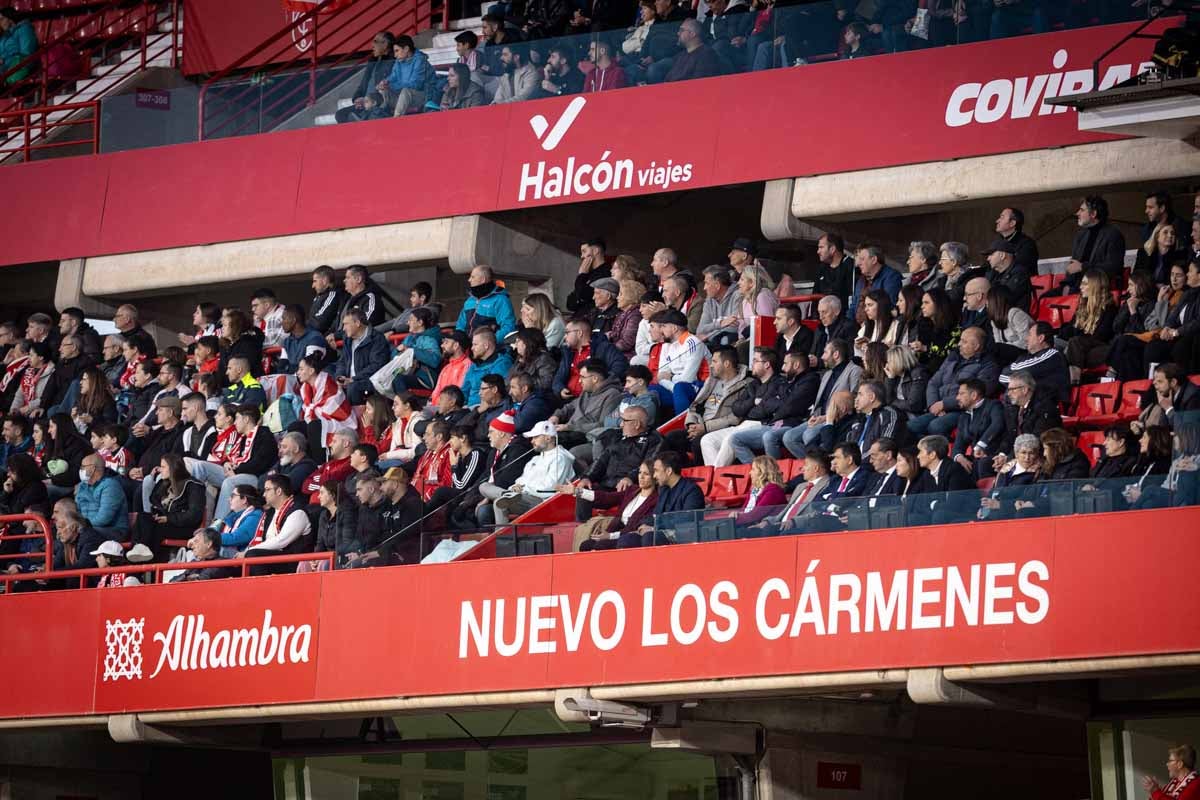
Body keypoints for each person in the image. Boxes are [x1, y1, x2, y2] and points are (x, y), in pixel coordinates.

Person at [731, 351, 819, 464]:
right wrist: (776, 404)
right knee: (735, 439)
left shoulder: (810, 380)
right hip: (774, 424)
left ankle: (774, 474)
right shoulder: (787, 380)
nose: (783, 368)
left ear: (796, 365)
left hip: (792, 424)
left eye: (786, 364)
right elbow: (772, 402)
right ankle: (759, 473)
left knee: (769, 436)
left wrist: (775, 407)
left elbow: (790, 405)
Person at [779, 339, 863, 457]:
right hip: (818, 417)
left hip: (836, 420)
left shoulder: (855, 371)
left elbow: (854, 401)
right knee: (789, 438)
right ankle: (813, 464)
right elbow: (820, 401)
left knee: (808, 436)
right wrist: (814, 416)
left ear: (836, 354)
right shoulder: (827, 374)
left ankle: (819, 465)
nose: (822, 357)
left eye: (825, 353)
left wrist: (826, 418)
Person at [910, 327, 1000, 438]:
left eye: (964, 341)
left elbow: (976, 393)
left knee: (935, 426)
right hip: (939, 406)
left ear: (976, 346)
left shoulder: (988, 365)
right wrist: (933, 404)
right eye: (960, 340)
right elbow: (933, 382)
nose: (959, 344)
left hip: (963, 410)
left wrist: (945, 404)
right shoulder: (953, 357)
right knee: (911, 426)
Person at [493, 420, 576, 523]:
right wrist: (515, 487)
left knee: (500, 503)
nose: (532, 441)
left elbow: (551, 489)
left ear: (548, 438)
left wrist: (524, 488)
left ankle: (507, 495)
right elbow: (521, 480)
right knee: (484, 487)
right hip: (525, 496)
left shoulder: (561, 458)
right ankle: (508, 494)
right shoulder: (535, 459)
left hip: (544, 503)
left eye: (535, 437)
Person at [1054, 195, 1126, 296]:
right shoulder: (1080, 236)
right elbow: (1073, 266)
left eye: (1082, 210)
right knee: (1043, 298)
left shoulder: (1113, 235)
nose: (1077, 213)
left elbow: (1114, 267)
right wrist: (1066, 285)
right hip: (1075, 287)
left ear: (1093, 214)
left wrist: (1083, 267)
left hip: (1096, 289)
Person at [133, 453, 204, 554]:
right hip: (165, 522)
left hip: (183, 527)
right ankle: (137, 549)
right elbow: (155, 502)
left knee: (155, 529)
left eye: (163, 467)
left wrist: (169, 518)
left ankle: (147, 560)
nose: (160, 470)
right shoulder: (163, 484)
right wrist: (157, 514)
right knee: (142, 517)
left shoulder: (193, 485)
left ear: (173, 467)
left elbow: (193, 515)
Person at [241, 474, 311, 575]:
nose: (264, 494)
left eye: (267, 490)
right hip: (273, 558)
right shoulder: (269, 513)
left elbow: (281, 541)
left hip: (292, 562)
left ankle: (263, 589)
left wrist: (249, 550)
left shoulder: (297, 512)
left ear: (279, 491)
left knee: (253, 555)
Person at [331, 307, 392, 405]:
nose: (343, 328)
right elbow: (342, 362)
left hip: (370, 383)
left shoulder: (376, 339)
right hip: (350, 381)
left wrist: (353, 379)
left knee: (353, 388)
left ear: (358, 323)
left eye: (346, 324)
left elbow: (377, 365)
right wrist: (339, 377)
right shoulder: (347, 339)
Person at [999, 321, 1070, 405]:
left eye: (1029, 334)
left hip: (1049, 407)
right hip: (1029, 407)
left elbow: (1028, 369)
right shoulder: (1025, 358)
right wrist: (1021, 379)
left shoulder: (1053, 354)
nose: (1026, 338)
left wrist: (1017, 375)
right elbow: (1002, 377)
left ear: (1041, 338)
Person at [1061, 269, 1117, 373]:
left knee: (1074, 343)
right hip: (1080, 350)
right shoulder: (1082, 307)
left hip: (1098, 349)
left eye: (1085, 284)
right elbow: (1069, 330)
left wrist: (1078, 331)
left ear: (1095, 286)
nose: (1080, 287)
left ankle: (1074, 383)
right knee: (1057, 344)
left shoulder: (1109, 308)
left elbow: (1101, 336)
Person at [948, 378, 1005, 477]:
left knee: (982, 464)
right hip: (976, 459)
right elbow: (958, 445)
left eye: (961, 393)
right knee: (952, 467)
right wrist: (959, 457)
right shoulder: (964, 416)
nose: (957, 397)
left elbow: (997, 425)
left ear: (974, 395)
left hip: (994, 455)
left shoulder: (993, 405)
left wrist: (980, 445)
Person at [978, 433, 1041, 521]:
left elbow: (1027, 500)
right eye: (1023, 452)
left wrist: (1000, 505)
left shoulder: (1038, 473)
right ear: (1016, 453)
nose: (1027, 457)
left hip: (1014, 515)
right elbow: (993, 492)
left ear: (1037, 454)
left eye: (1031, 453)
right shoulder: (1007, 467)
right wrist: (983, 508)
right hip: (994, 513)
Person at [336, 31, 396, 122]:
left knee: (372, 113)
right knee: (340, 114)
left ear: (385, 44)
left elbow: (390, 87)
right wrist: (357, 98)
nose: (372, 45)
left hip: (377, 103)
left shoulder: (393, 62)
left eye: (375, 41)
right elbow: (363, 85)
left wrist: (372, 99)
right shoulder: (372, 62)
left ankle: (362, 124)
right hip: (365, 102)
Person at [306, 480, 359, 570]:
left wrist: (326, 558)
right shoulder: (323, 515)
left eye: (322, 493)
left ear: (332, 495)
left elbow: (347, 542)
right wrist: (315, 559)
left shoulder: (347, 513)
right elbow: (320, 544)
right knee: (304, 564)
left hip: (341, 557)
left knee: (324, 564)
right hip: (327, 556)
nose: (319, 496)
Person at [75, 453, 129, 540]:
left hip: (114, 530)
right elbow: (77, 510)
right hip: (89, 529)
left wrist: (82, 527)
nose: (80, 470)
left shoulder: (110, 485)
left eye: (83, 466)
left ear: (93, 468)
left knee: (82, 535)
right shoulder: (83, 486)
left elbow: (104, 519)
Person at [378, 35, 435, 116]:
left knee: (406, 91)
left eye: (397, 51)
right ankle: (379, 116)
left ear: (406, 49)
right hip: (404, 98)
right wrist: (385, 82)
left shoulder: (420, 60)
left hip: (423, 97)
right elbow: (393, 77)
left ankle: (396, 120)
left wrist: (392, 86)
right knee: (383, 90)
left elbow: (416, 85)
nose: (395, 55)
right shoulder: (399, 61)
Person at [457, 265, 517, 340]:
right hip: (469, 349)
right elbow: (460, 326)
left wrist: (490, 341)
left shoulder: (500, 300)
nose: (469, 280)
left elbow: (509, 327)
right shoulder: (470, 300)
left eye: (472, 277)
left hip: (492, 349)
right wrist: (460, 342)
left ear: (483, 279)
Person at [849, 244, 903, 324]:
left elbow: (888, 307)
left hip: (877, 325)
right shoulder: (861, 280)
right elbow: (853, 307)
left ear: (874, 260)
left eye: (862, 259)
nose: (858, 263)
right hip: (857, 327)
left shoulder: (891, 277)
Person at [462, 327, 514, 407]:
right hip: (468, 409)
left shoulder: (502, 364)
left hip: (486, 409)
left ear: (486, 345)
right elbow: (464, 392)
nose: (472, 348)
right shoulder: (473, 366)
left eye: (475, 344)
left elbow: (497, 394)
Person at [208, 483, 264, 558]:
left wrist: (210, 537)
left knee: (212, 550)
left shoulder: (256, 515)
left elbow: (236, 538)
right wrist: (204, 536)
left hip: (242, 556)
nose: (229, 499)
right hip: (229, 552)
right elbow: (212, 530)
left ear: (244, 499)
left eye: (233, 496)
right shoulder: (231, 516)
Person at [732, 455, 787, 528]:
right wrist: (735, 514)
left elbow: (754, 516)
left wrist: (733, 519)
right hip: (749, 526)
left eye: (753, 469)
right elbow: (744, 511)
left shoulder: (774, 490)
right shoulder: (754, 490)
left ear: (763, 472)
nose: (750, 473)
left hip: (764, 529)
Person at [982, 238, 1033, 315]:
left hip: (1013, 321)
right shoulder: (993, 273)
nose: (988, 258)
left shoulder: (1020, 273)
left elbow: (1002, 299)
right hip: (998, 317)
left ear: (1002, 255)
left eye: (991, 254)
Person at [696, 265, 743, 347]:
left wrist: (708, 336)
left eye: (706, 283)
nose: (704, 288)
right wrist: (721, 324)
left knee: (725, 339)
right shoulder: (709, 301)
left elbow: (735, 328)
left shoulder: (738, 295)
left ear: (717, 285)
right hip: (716, 343)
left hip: (731, 346)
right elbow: (700, 330)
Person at [169, 528, 238, 582]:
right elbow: (172, 582)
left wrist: (187, 578)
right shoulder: (195, 563)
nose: (192, 545)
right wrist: (186, 576)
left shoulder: (221, 564)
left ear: (208, 544)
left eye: (196, 541)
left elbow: (201, 580)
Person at [809, 295, 857, 369]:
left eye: (824, 312)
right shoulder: (820, 329)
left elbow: (847, 358)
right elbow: (813, 353)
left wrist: (819, 362)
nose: (821, 317)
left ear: (836, 311)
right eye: (819, 312)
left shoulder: (848, 328)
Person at [1136, 219, 1187, 287]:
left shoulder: (1179, 256)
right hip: (1145, 290)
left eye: (1172, 233)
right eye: (1165, 232)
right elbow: (1136, 276)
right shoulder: (1143, 253)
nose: (1170, 235)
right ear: (1157, 236)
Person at [884, 345, 930, 419]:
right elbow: (885, 400)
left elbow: (914, 405)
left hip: (915, 416)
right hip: (900, 413)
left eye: (889, 362)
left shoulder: (918, 373)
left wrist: (892, 401)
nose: (887, 365)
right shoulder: (896, 376)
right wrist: (890, 378)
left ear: (898, 361)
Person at [993, 206, 1039, 274]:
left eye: (1002, 217)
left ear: (1012, 223)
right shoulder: (996, 244)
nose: (997, 221)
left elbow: (1019, 270)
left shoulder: (1027, 244)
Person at [0, 7, 38, 85]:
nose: (0, 22)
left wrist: (4, 61)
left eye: (1, 19)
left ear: (9, 18)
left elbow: (26, 53)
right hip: (4, 68)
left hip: (16, 68)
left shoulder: (24, 30)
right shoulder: (5, 35)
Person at [310, 266, 350, 337]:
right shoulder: (318, 296)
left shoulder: (332, 295)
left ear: (325, 280)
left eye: (315, 281)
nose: (313, 286)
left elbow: (319, 323)